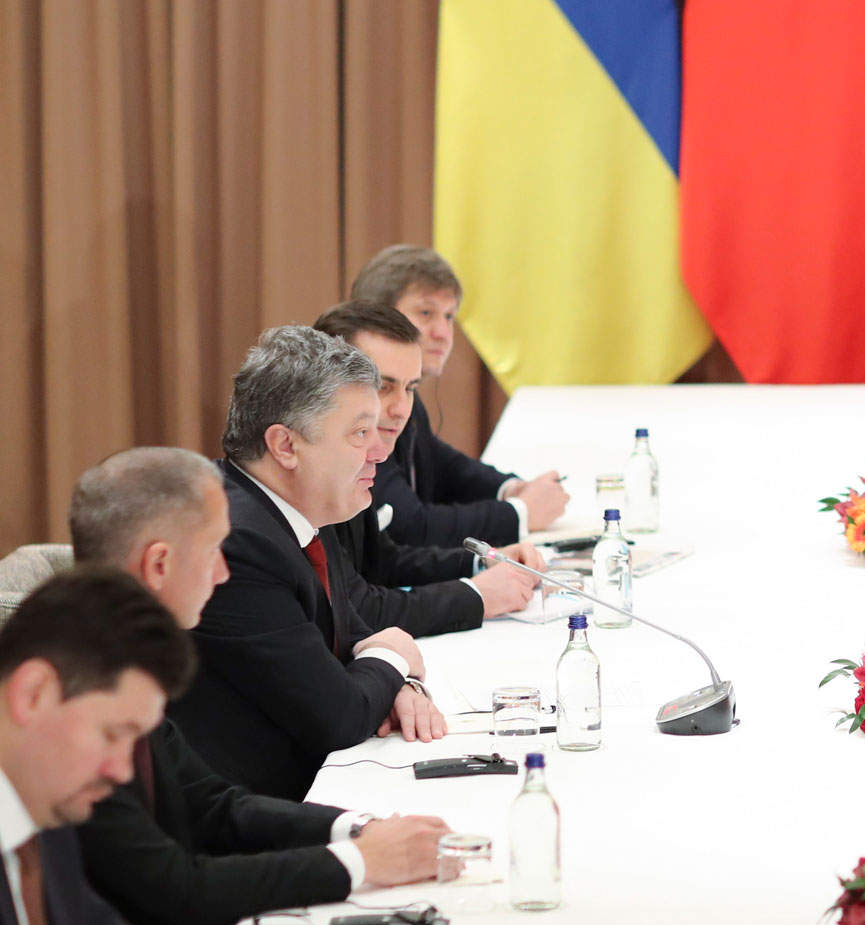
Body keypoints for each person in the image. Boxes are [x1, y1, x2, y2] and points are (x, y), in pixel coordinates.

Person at [0, 568, 437, 925]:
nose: (121, 770)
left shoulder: (39, 812)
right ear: (33, 694)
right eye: (112, 734)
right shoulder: (51, 802)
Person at [66, 447, 451, 925]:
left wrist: (358, 829)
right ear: (159, 564)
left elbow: (214, 805)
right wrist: (362, 862)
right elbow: (178, 890)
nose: (223, 574)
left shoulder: (125, 660)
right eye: (213, 551)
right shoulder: (79, 704)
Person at [172, 326, 446, 801]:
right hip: (249, 816)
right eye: (360, 434)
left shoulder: (299, 511)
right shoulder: (235, 543)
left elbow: (355, 639)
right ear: (286, 446)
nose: (381, 452)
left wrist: (400, 685)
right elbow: (339, 716)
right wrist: (394, 658)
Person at [311, 300, 543, 635]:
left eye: (410, 389)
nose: (401, 409)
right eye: (383, 386)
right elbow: (358, 610)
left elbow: (385, 562)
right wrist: (476, 596)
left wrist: (482, 561)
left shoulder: (357, 458)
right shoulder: (312, 473)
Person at [351, 244, 568, 547]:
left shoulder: (404, 395)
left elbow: (441, 464)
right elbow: (408, 527)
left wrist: (510, 489)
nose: (443, 333)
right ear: (376, 314)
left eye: (449, 316)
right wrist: (520, 513)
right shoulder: (352, 401)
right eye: (426, 313)